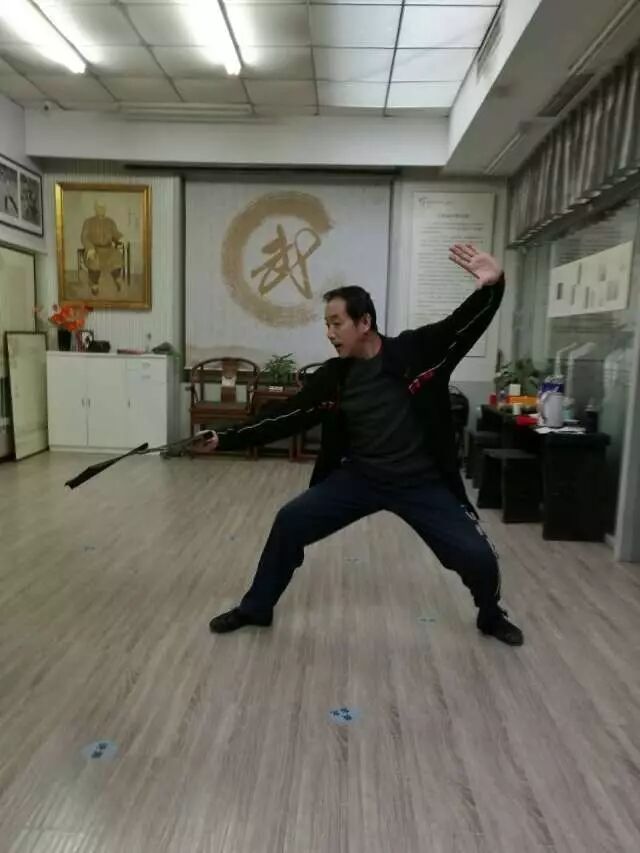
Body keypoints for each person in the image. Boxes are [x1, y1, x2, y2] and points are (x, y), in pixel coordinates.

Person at [207, 244, 523, 646]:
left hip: (422, 482)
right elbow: (285, 417)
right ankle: (256, 607)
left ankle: (491, 615)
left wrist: (494, 286)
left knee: (477, 556)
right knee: (290, 522)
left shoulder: (416, 353)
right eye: (327, 325)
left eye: (336, 323)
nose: (329, 333)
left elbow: (463, 325)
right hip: (360, 478)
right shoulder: (334, 378)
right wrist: (225, 437)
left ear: (365, 322)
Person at [81, 201, 124, 296]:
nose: (101, 210)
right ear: (95, 209)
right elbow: (84, 237)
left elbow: (115, 234)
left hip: (108, 249)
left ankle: (117, 278)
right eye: (99, 207)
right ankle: (94, 284)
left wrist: (122, 237)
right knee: (94, 260)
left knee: (117, 256)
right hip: (94, 249)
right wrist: (90, 248)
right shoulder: (88, 222)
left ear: (105, 209)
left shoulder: (110, 222)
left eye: (103, 208)